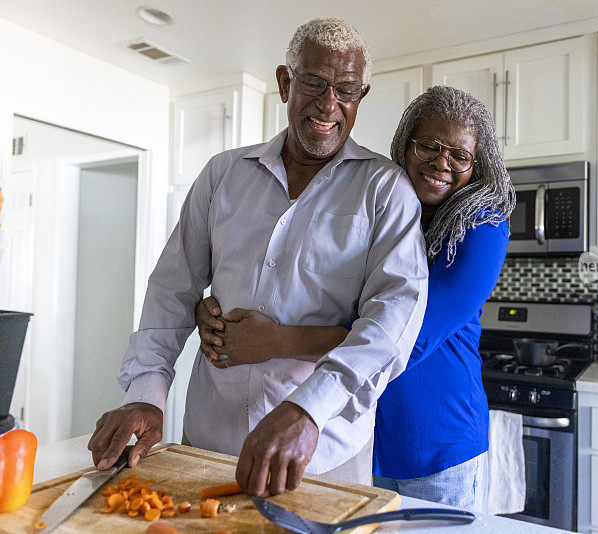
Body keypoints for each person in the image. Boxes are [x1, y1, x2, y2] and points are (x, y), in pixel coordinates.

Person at [88, 18, 428, 497]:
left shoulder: (385, 190)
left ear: (361, 96)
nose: (330, 104)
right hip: (209, 444)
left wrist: (308, 409)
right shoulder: (223, 174)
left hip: (323, 452)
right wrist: (147, 397)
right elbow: (172, 288)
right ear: (285, 83)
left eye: (347, 90)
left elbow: (392, 322)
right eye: (314, 83)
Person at [196, 86, 515, 510]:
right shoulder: (389, 205)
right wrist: (215, 306)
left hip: (438, 443)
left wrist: (271, 341)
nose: (442, 163)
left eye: (460, 156)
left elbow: (409, 337)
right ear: (406, 144)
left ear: (477, 166)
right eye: (429, 147)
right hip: (361, 431)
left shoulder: (482, 225)